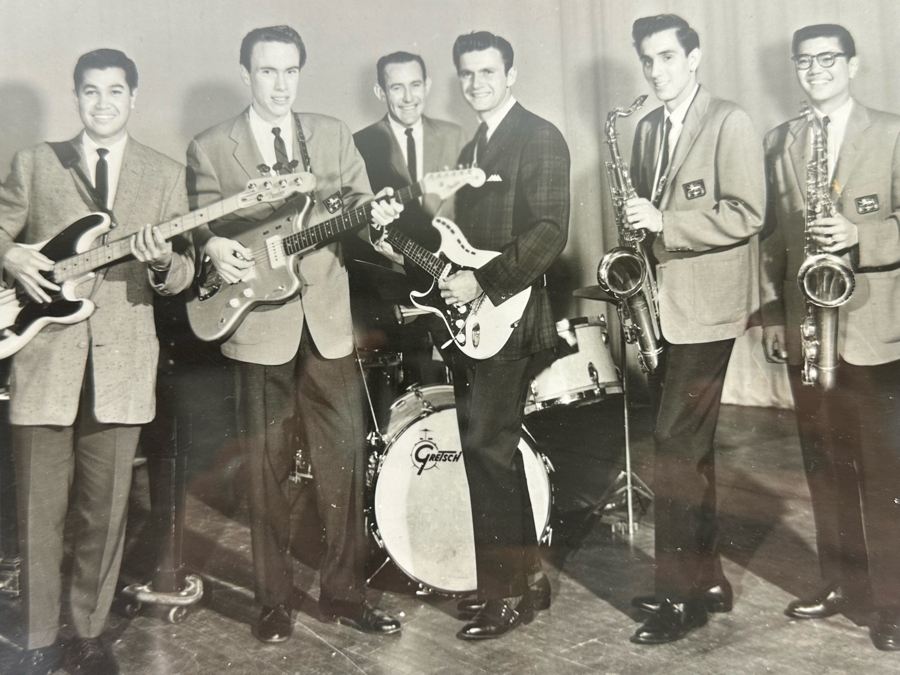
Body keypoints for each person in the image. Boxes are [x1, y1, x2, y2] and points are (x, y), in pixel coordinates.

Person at [186, 25, 403, 643]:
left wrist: (379, 216)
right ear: (246, 74)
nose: (280, 85)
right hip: (257, 322)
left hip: (328, 324)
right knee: (266, 469)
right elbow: (198, 226)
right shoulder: (211, 147)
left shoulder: (330, 134)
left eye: (290, 71)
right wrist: (212, 244)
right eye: (267, 71)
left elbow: (361, 205)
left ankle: (344, 594)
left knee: (345, 463)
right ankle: (273, 602)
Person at [0, 49, 194, 674]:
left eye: (115, 91)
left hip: (123, 365)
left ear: (133, 97)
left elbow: (185, 273)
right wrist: (10, 255)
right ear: (76, 96)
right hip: (43, 359)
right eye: (91, 91)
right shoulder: (35, 163)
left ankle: (87, 632)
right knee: (38, 512)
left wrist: (162, 263)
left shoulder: (165, 175)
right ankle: (37, 640)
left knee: (105, 513)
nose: (103, 102)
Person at [621, 15, 765, 644]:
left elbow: (747, 211)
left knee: (673, 446)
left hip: (708, 309)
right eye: (647, 60)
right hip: (663, 306)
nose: (656, 71)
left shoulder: (729, 120)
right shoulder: (648, 128)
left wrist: (665, 223)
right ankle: (708, 582)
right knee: (693, 449)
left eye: (668, 57)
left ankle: (678, 600)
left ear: (694, 57)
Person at [759, 23, 900, 652]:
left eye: (827, 59)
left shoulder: (892, 131)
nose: (815, 70)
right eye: (804, 61)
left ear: (853, 64)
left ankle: (893, 601)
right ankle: (843, 584)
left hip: (875, 330)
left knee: (884, 474)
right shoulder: (779, 140)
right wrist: (772, 314)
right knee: (823, 465)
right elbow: (771, 240)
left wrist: (860, 236)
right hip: (808, 328)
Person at [438, 31, 569, 640]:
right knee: (493, 451)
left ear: (510, 74)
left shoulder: (539, 135)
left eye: (487, 72)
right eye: (467, 74)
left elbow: (549, 232)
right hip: (482, 322)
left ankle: (506, 596)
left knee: (487, 450)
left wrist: (483, 283)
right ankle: (524, 581)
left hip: (510, 317)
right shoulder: (475, 144)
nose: (476, 83)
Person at [352, 50, 465, 383]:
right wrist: (376, 239)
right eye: (396, 87)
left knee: (466, 381)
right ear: (380, 92)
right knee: (410, 387)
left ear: (427, 85)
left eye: (415, 85)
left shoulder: (456, 136)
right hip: (391, 288)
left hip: (451, 281)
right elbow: (353, 211)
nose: (408, 97)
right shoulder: (359, 145)